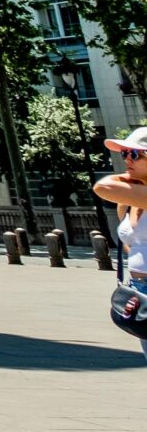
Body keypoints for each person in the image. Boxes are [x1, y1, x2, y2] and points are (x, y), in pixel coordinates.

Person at [97, 125, 147, 361]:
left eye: (135, 154)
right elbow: (131, 243)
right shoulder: (128, 199)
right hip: (139, 289)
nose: (127, 159)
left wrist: (125, 178)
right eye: (124, 153)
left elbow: (103, 186)